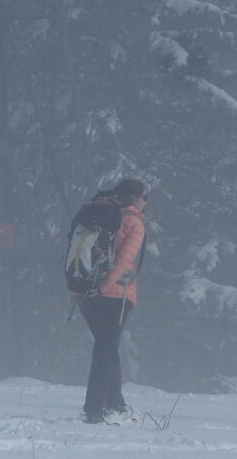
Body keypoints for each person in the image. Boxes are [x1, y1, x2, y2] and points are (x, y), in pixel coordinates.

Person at [74, 179, 147, 425]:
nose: (145, 203)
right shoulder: (133, 222)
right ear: (135, 197)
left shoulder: (96, 213)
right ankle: (94, 410)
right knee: (105, 350)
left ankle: (115, 404)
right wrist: (105, 286)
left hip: (83, 292)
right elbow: (125, 261)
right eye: (144, 197)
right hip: (115, 295)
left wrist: (80, 288)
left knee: (108, 346)